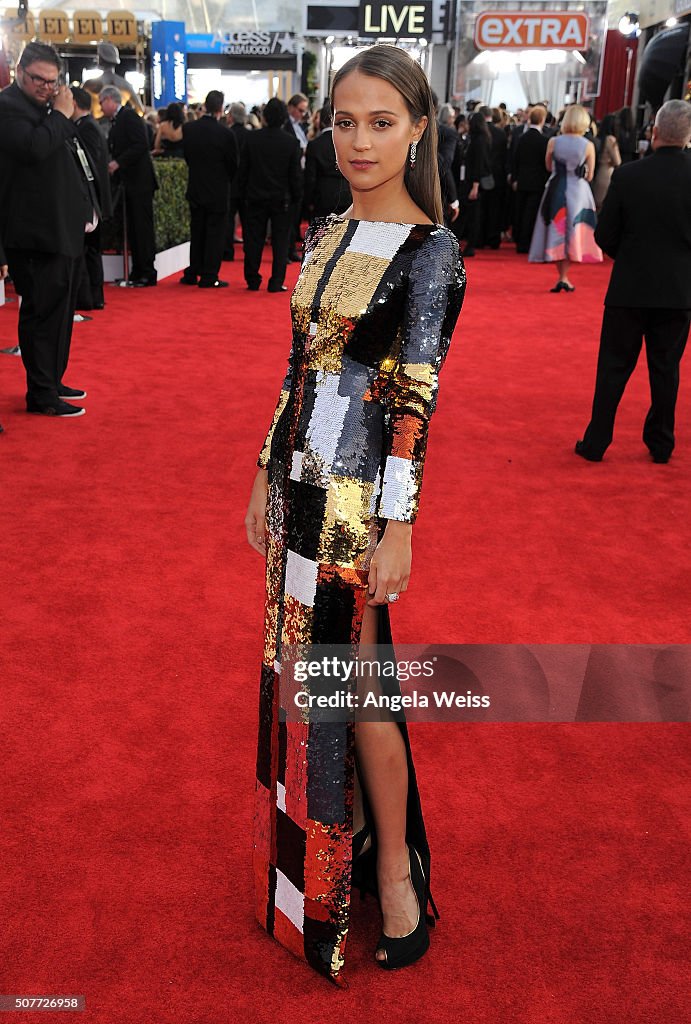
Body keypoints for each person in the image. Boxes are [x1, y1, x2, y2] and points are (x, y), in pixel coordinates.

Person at [244, 44, 465, 985]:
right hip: (299, 487)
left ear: (417, 129)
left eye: (381, 122)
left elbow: (414, 400)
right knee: (324, 684)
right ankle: (368, 861)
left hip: (355, 504)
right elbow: (302, 368)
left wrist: (399, 525)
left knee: (352, 685)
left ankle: (388, 873)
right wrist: (262, 468)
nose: (359, 140)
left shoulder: (432, 253)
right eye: (343, 120)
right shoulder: (326, 233)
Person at [575, 99, 691, 464]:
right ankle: (661, 443)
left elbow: (605, 234)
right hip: (678, 290)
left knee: (612, 366)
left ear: (654, 131)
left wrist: (628, 256)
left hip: (629, 287)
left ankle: (596, 442)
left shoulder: (629, 175)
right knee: (666, 369)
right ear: (687, 137)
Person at [0, 41, 93, 417]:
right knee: (41, 314)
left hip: (60, 230)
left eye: (52, 81)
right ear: (20, 72)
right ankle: (40, 392)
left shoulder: (48, 108)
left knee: (60, 313)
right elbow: (34, 148)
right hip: (33, 233)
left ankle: (52, 380)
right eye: (38, 79)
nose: (45, 87)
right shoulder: (7, 108)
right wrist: (62, 115)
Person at [529, 104, 602, 291]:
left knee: (557, 229)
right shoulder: (588, 145)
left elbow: (548, 167)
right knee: (573, 230)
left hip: (556, 188)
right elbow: (590, 174)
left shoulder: (554, 141)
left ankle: (561, 275)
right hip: (578, 190)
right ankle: (564, 276)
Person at [238, 97, 302, 292]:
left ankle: (252, 279)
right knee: (280, 241)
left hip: (255, 197)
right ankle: (276, 281)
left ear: (264, 117)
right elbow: (295, 175)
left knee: (253, 239)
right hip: (281, 199)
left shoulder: (252, 139)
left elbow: (243, 171)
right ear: (284, 118)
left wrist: (241, 195)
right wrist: (297, 198)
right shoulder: (291, 142)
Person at [101, 85, 159, 287]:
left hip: (140, 183)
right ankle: (138, 271)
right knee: (134, 229)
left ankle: (147, 272)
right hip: (131, 183)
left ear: (110, 100)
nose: (100, 107)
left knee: (142, 229)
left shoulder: (129, 117)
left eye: (101, 102)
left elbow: (141, 144)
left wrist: (118, 163)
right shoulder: (121, 119)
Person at [180, 90, 238, 289]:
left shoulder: (189, 129)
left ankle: (192, 271)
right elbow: (233, 165)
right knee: (214, 234)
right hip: (218, 190)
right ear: (221, 108)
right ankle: (209, 275)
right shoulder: (226, 134)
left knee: (197, 231)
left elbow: (187, 157)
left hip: (196, 187)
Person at [72, 85, 112, 310]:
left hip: (91, 201)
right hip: (93, 200)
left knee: (89, 252)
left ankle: (91, 298)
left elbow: (89, 168)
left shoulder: (86, 128)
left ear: (74, 103)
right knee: (90, 252)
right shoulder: (89, 126)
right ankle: (92, 298)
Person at [303, 100, 351, 220]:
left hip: (322, 198)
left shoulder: (315, 145)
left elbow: (310, 177)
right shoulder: (349, 142)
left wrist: (307, 201)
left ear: (322, 121)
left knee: (321, 236)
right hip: (347, 195)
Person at [513, 105, 549, 253]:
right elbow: (546, 163)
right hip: (537, 182)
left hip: (522, 181)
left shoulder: (522, 138)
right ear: (542, 119)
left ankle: (519, 241)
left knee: (520, 211)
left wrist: (515, 178)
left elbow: (516, 159)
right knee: (531, 213)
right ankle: (526, 243)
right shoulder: (544, 140)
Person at [455, 111, 491, 256]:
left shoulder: (479, 140)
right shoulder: (474, 138)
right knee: (468, 213)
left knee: (472, 214)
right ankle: (466, 243)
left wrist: (475, 186)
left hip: (473, 182)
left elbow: (478, 164)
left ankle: (471, 245)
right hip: (469, 180)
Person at [592, 114, 622, 209]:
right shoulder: (611, 139)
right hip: (607, 173)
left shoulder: (598, 137)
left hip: (598, 171)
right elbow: (618, 161)